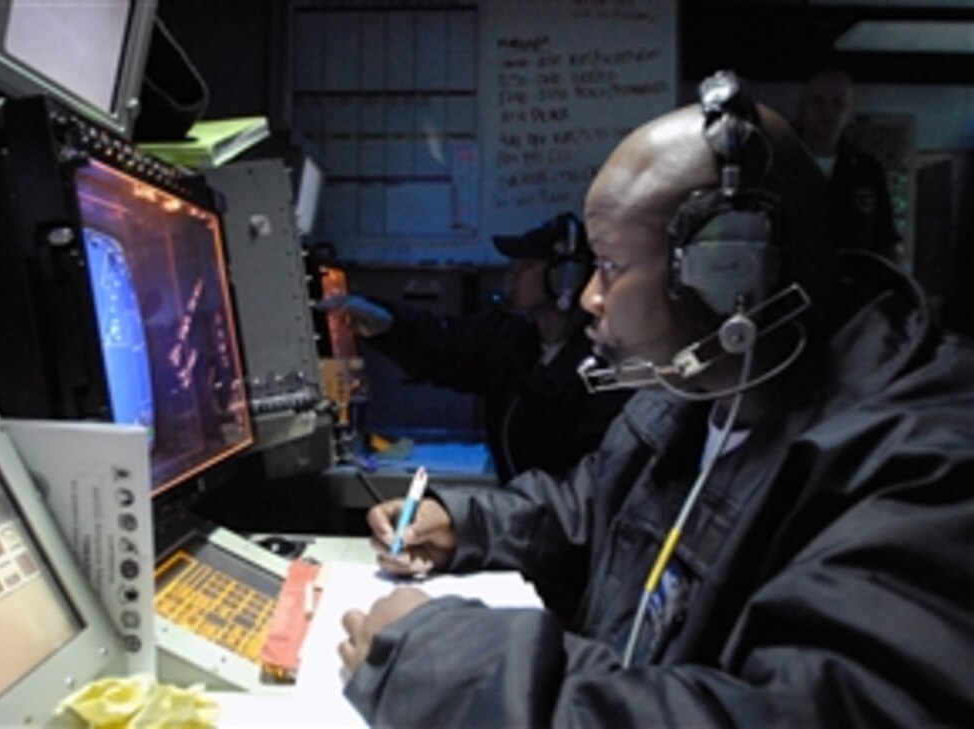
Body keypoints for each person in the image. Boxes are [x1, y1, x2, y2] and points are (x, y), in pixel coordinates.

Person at [337, 71, 974, 727]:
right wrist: (464, 524)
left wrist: (452, 669)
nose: (588, 297)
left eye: (609, 266)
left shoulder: (924, 475)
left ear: (730, 275)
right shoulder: (697, 394)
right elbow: (590, 507)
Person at [318, 213, 631, 482]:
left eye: (526, 266)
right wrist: (386, 323)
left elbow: (582, 487)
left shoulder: (602, 367)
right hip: (517, 520)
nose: (513, 274)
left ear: (565, 279)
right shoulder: (515, 339)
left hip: (558, 533)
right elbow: (445, 345)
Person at [796, 66, 902, 260]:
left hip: (851, 284)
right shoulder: (778, 162)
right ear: (802, 107)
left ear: (849, 110)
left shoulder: (867, 171)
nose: (827, 111)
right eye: (817, 101)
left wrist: (900, 286)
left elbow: (884, 241)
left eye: (838, 103)